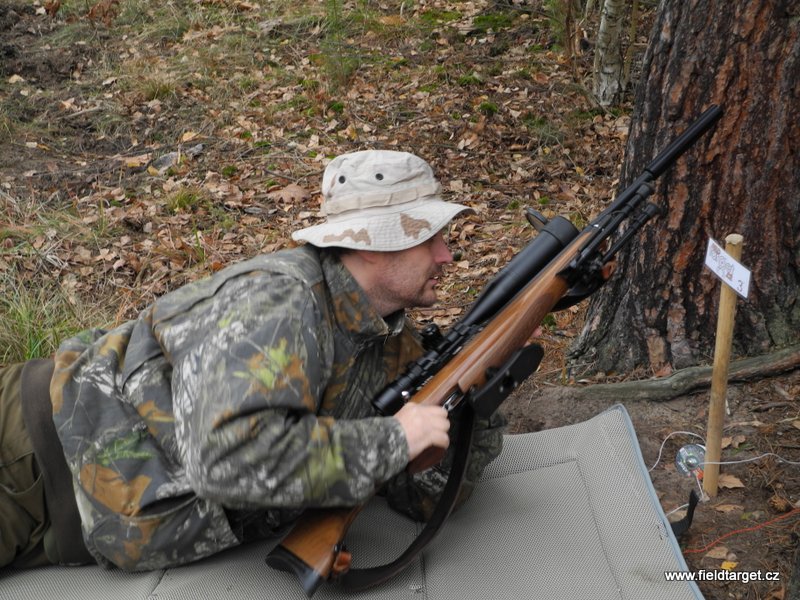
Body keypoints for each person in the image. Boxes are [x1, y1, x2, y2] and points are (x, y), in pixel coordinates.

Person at [0, 149, 505, 572]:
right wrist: (393, 438)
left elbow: (422, 496)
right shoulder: (279, 300)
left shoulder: (389, 341)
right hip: (30, 455)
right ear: (371, 244)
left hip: (81, 526)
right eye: (428, 236)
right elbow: (225, 459)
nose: (446, 255)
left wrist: (478, 400)